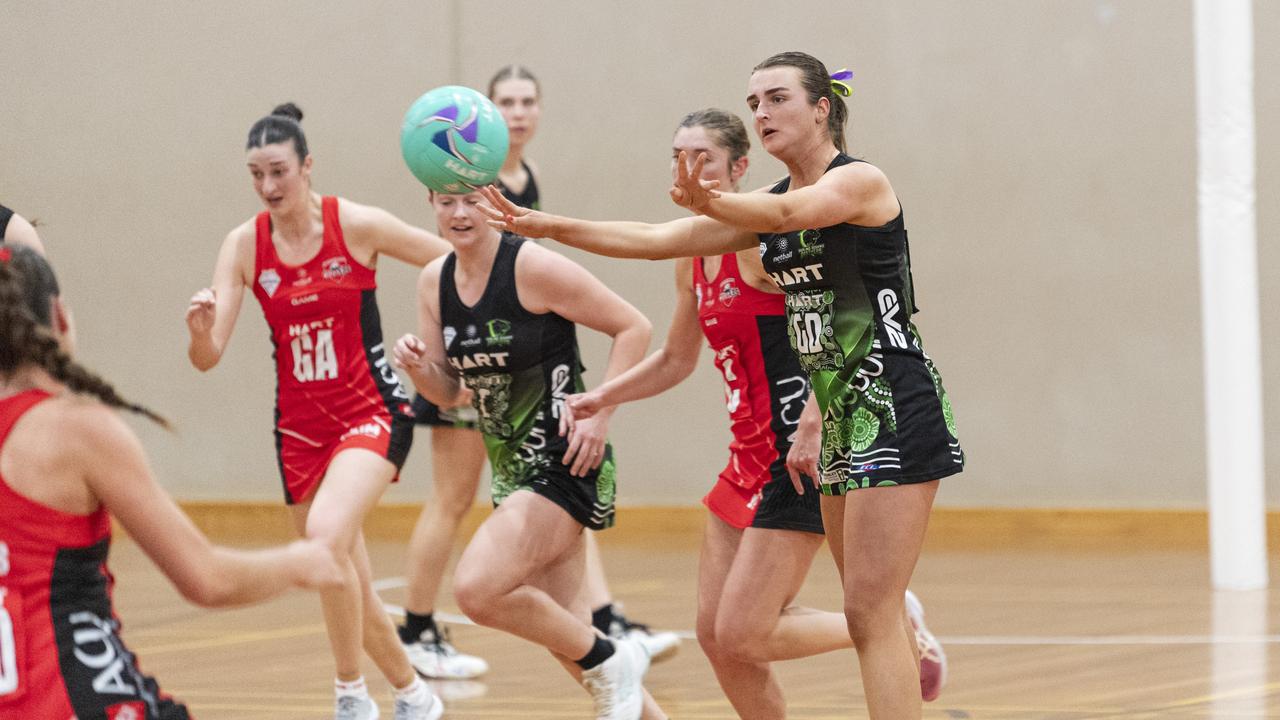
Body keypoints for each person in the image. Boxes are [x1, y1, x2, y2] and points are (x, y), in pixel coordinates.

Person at [480, 51, 964, 719]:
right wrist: (548, 226)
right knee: (862, 617)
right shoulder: (764, 205)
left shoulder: (857, 183)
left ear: (822, 107)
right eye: (754, 101)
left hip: (892, 404)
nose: (761, 112)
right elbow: (658, 237)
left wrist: (713, 200)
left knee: (873, 611)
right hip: (838, 415)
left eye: (778, 99)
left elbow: (797, 215)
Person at [396, 65, 677, 680]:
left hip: (561, 460)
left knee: (479, 590)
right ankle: (617, 673)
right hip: (511, 469)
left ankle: (611, 655)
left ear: (494, 198)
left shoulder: (533, 265)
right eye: (449, 201)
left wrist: (600, 409)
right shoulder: (433, 281)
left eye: (473, 199)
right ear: (432, 203)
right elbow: (451, 392)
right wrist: (421, 373)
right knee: (569, 636)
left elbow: (634, 326)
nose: (461, 212)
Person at [0, 243, 342, 719]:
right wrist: (303, 562)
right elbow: (207, 579)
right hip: (74, 699)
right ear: (59, 316)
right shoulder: (75, 430)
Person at [185, 103, 447, 720]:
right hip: (298, 430)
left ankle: (350, 695)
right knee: (341, 573)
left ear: (308, 165)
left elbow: (454, 261)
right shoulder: (244, 245)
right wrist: (199, 330)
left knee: (327, 544)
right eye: (256, 174)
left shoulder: (355, 225)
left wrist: (437, 344)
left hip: (370, 412)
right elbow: (207, 356)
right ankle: (414, 696)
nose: (269, 187)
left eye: (279, 171)